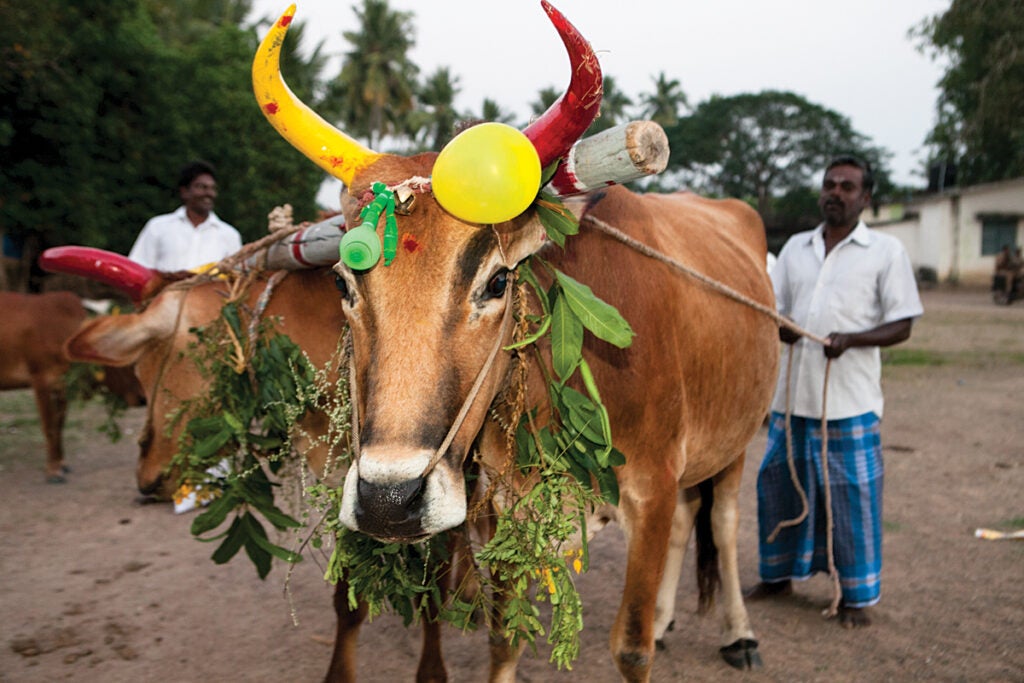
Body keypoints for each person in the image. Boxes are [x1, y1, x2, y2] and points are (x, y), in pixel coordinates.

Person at [746, 156, 924, 629]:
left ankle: (856, 597)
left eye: (848, 187)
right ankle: (777, 575)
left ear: (866, 198)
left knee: (852, 498)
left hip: (848, 401)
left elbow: (903, 323)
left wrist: (852, 339)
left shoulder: (886, 251)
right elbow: (775, 309)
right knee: (778, 487)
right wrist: (781, 329)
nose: (836, 193)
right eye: (830, 184)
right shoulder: (795, 250)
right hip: (791, 397)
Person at [128, 160, 242, 271]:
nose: (209, 193)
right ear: (184, 192)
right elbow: (138, 269)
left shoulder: (229, 235)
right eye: (201, 187)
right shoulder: (158, 227)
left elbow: (236, 282)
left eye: (212, 188)